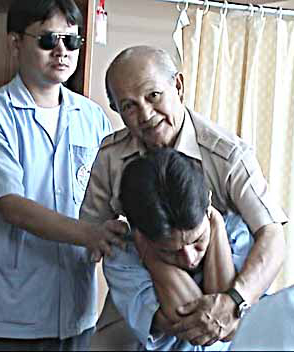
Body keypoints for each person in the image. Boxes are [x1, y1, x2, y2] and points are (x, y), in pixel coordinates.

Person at [80, 45, 288, 350]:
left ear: (177, 85)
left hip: (226, 288)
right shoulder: (111, 158)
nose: (146, 115)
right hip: (147, 297)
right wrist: (144, 254)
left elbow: (272, 234)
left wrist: (235, 300)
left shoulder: (227, 155)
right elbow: (93, 234)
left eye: (153, 96)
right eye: (129, 106)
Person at [0, 1, 126, 351]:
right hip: (7, 316)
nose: (61, 52)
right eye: (48, 40)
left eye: (71, 41)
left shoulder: (93, 119)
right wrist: (91, 234)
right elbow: (13, 206)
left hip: (75, 313)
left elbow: (113, 193)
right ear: (15, 43)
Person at [102, 147, 254, 351]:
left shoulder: (235, 232)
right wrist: (151, 260)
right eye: (170, 251)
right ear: (142, 237)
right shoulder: (122, 257)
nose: (190, 258)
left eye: (198, 240)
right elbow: (196, 325)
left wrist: (216, 225)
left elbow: (227, 329)